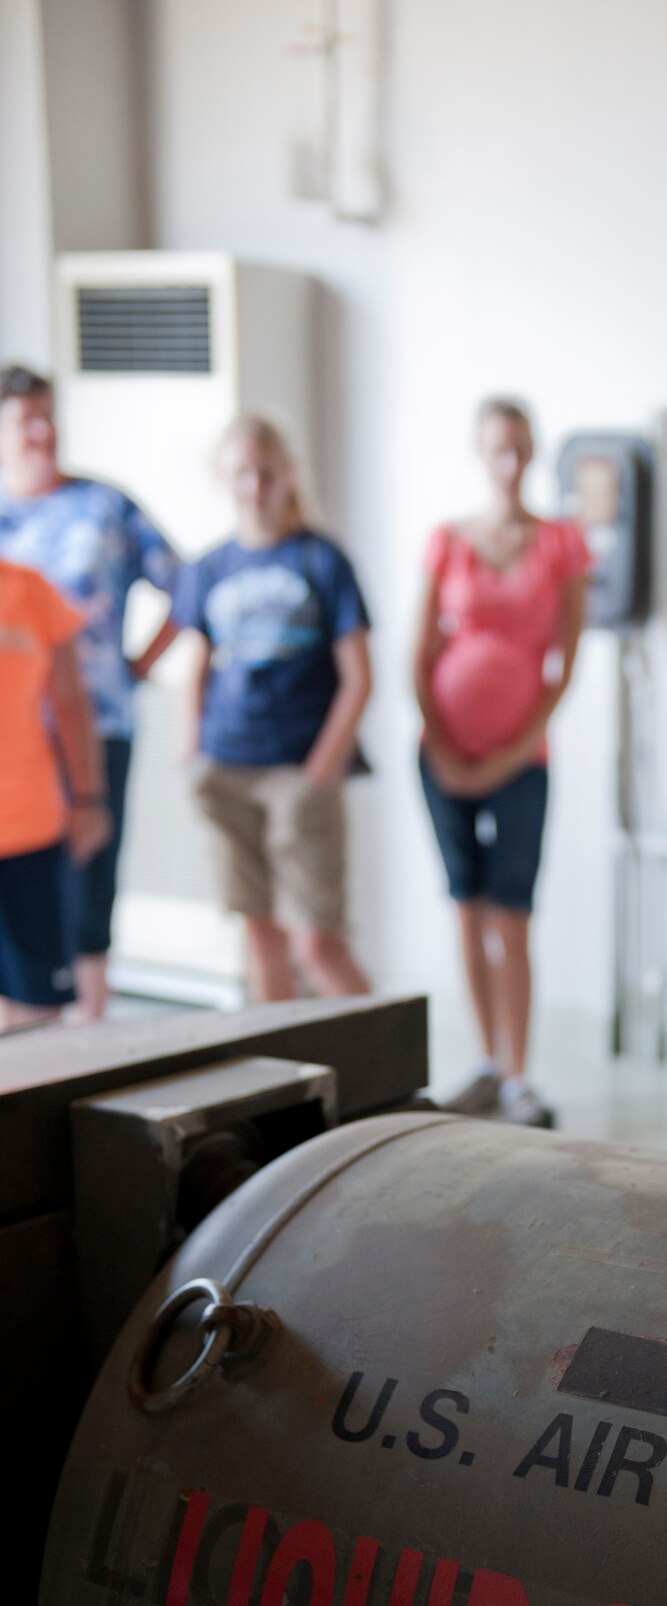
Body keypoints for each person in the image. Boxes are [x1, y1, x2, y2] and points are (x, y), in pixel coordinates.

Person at [412, 397, 591, 1130]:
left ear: (534, 452)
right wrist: (444, 744)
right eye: (498, 448)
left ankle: (519, 1076)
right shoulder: (448, 540)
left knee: (511, 916)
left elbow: (564, 667)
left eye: (521, 448)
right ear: (479, 454)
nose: (510, 462)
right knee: (465, 905)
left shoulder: (560, 545)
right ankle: (486, 1064)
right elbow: (418, 655)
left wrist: (505, 757)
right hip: (442, 756)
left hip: (521, 761)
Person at [173, 414, 373, 1003]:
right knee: (261, 935)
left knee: (318, 945)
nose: (254, 487)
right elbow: (199, 663)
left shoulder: (321, 561)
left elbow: (359, 677)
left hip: (297, 772)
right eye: (241, 474)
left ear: (286, 474)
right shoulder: (210, 568)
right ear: (223, 478)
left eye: (265, 472)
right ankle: (286, 1082)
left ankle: (394, 1067)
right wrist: (192, 747)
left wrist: (321, 770)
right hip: (228, 766)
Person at [0, 363, 179, 1021]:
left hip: (95, 718)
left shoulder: (105, 507)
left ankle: (92, 1031)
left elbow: (182, 586)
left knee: (87, 886)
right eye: (26, 420)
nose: (43, 432)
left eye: (51, 416)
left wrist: (136, 663)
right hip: (16, 737)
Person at [0, 554, 110, 1032]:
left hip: (28, 830)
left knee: (37, 1008)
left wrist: (89, 797)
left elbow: (70, 701)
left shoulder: (30, 588)